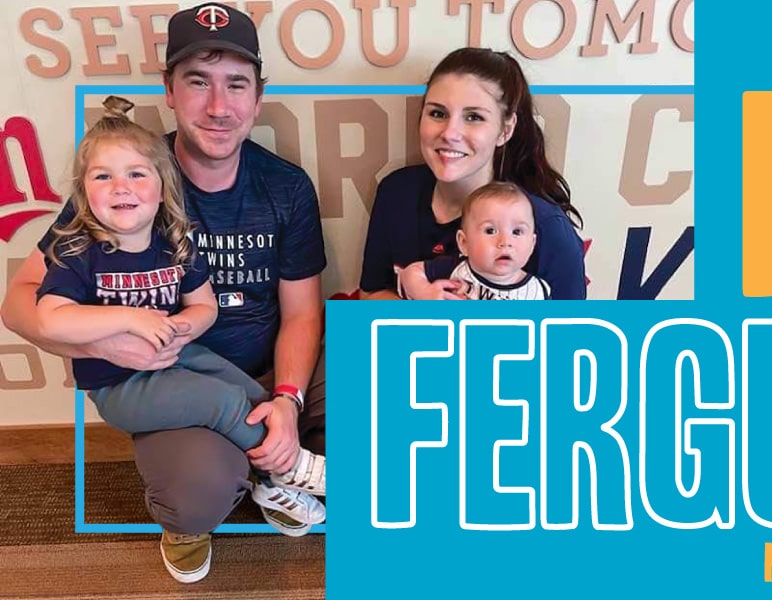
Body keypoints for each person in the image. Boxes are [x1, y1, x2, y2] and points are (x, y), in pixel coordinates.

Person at [1, 3, 326, 584]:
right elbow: (21, 303)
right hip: (164, 378)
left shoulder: (285, 186)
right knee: (196, 492)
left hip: (261, 364)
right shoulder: (123, 179)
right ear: (169, 90)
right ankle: (236, 487)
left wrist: (287, 399)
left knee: (381, 423)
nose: (219, 107)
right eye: (198, 82)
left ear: (257, 94)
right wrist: (103, 342)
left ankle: (280, 458)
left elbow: (302, 313)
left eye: (236, 85)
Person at [37, 96, 328, 518]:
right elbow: (48, 317)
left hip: (176, 354)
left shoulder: (172, 242)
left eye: (136, 175)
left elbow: (203, 306)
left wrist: (182, 327)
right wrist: (128, 320)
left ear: (161, 187)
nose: (121, 187)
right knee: (219, 402)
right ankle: (284, 470)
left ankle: (268, 479)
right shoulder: (81, 248)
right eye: (103, 177)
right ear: (83, 192)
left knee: (245, 391)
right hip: (121, 384)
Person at [359, 47, 586, 300]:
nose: (450, 133)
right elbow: (371, 294)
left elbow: (570, 336)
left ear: (505, 130)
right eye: (438, 113)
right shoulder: (396, 191)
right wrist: (421, 312)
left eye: (474, 117)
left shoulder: (546, 228)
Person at [400, 181, 550, 300]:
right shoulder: (456, 269)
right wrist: (425, 293)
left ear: (532, 244)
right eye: (490, 230)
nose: (505, 242)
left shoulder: (537, 292)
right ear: (464, 243)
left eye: (517, 232)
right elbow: (410, 273)